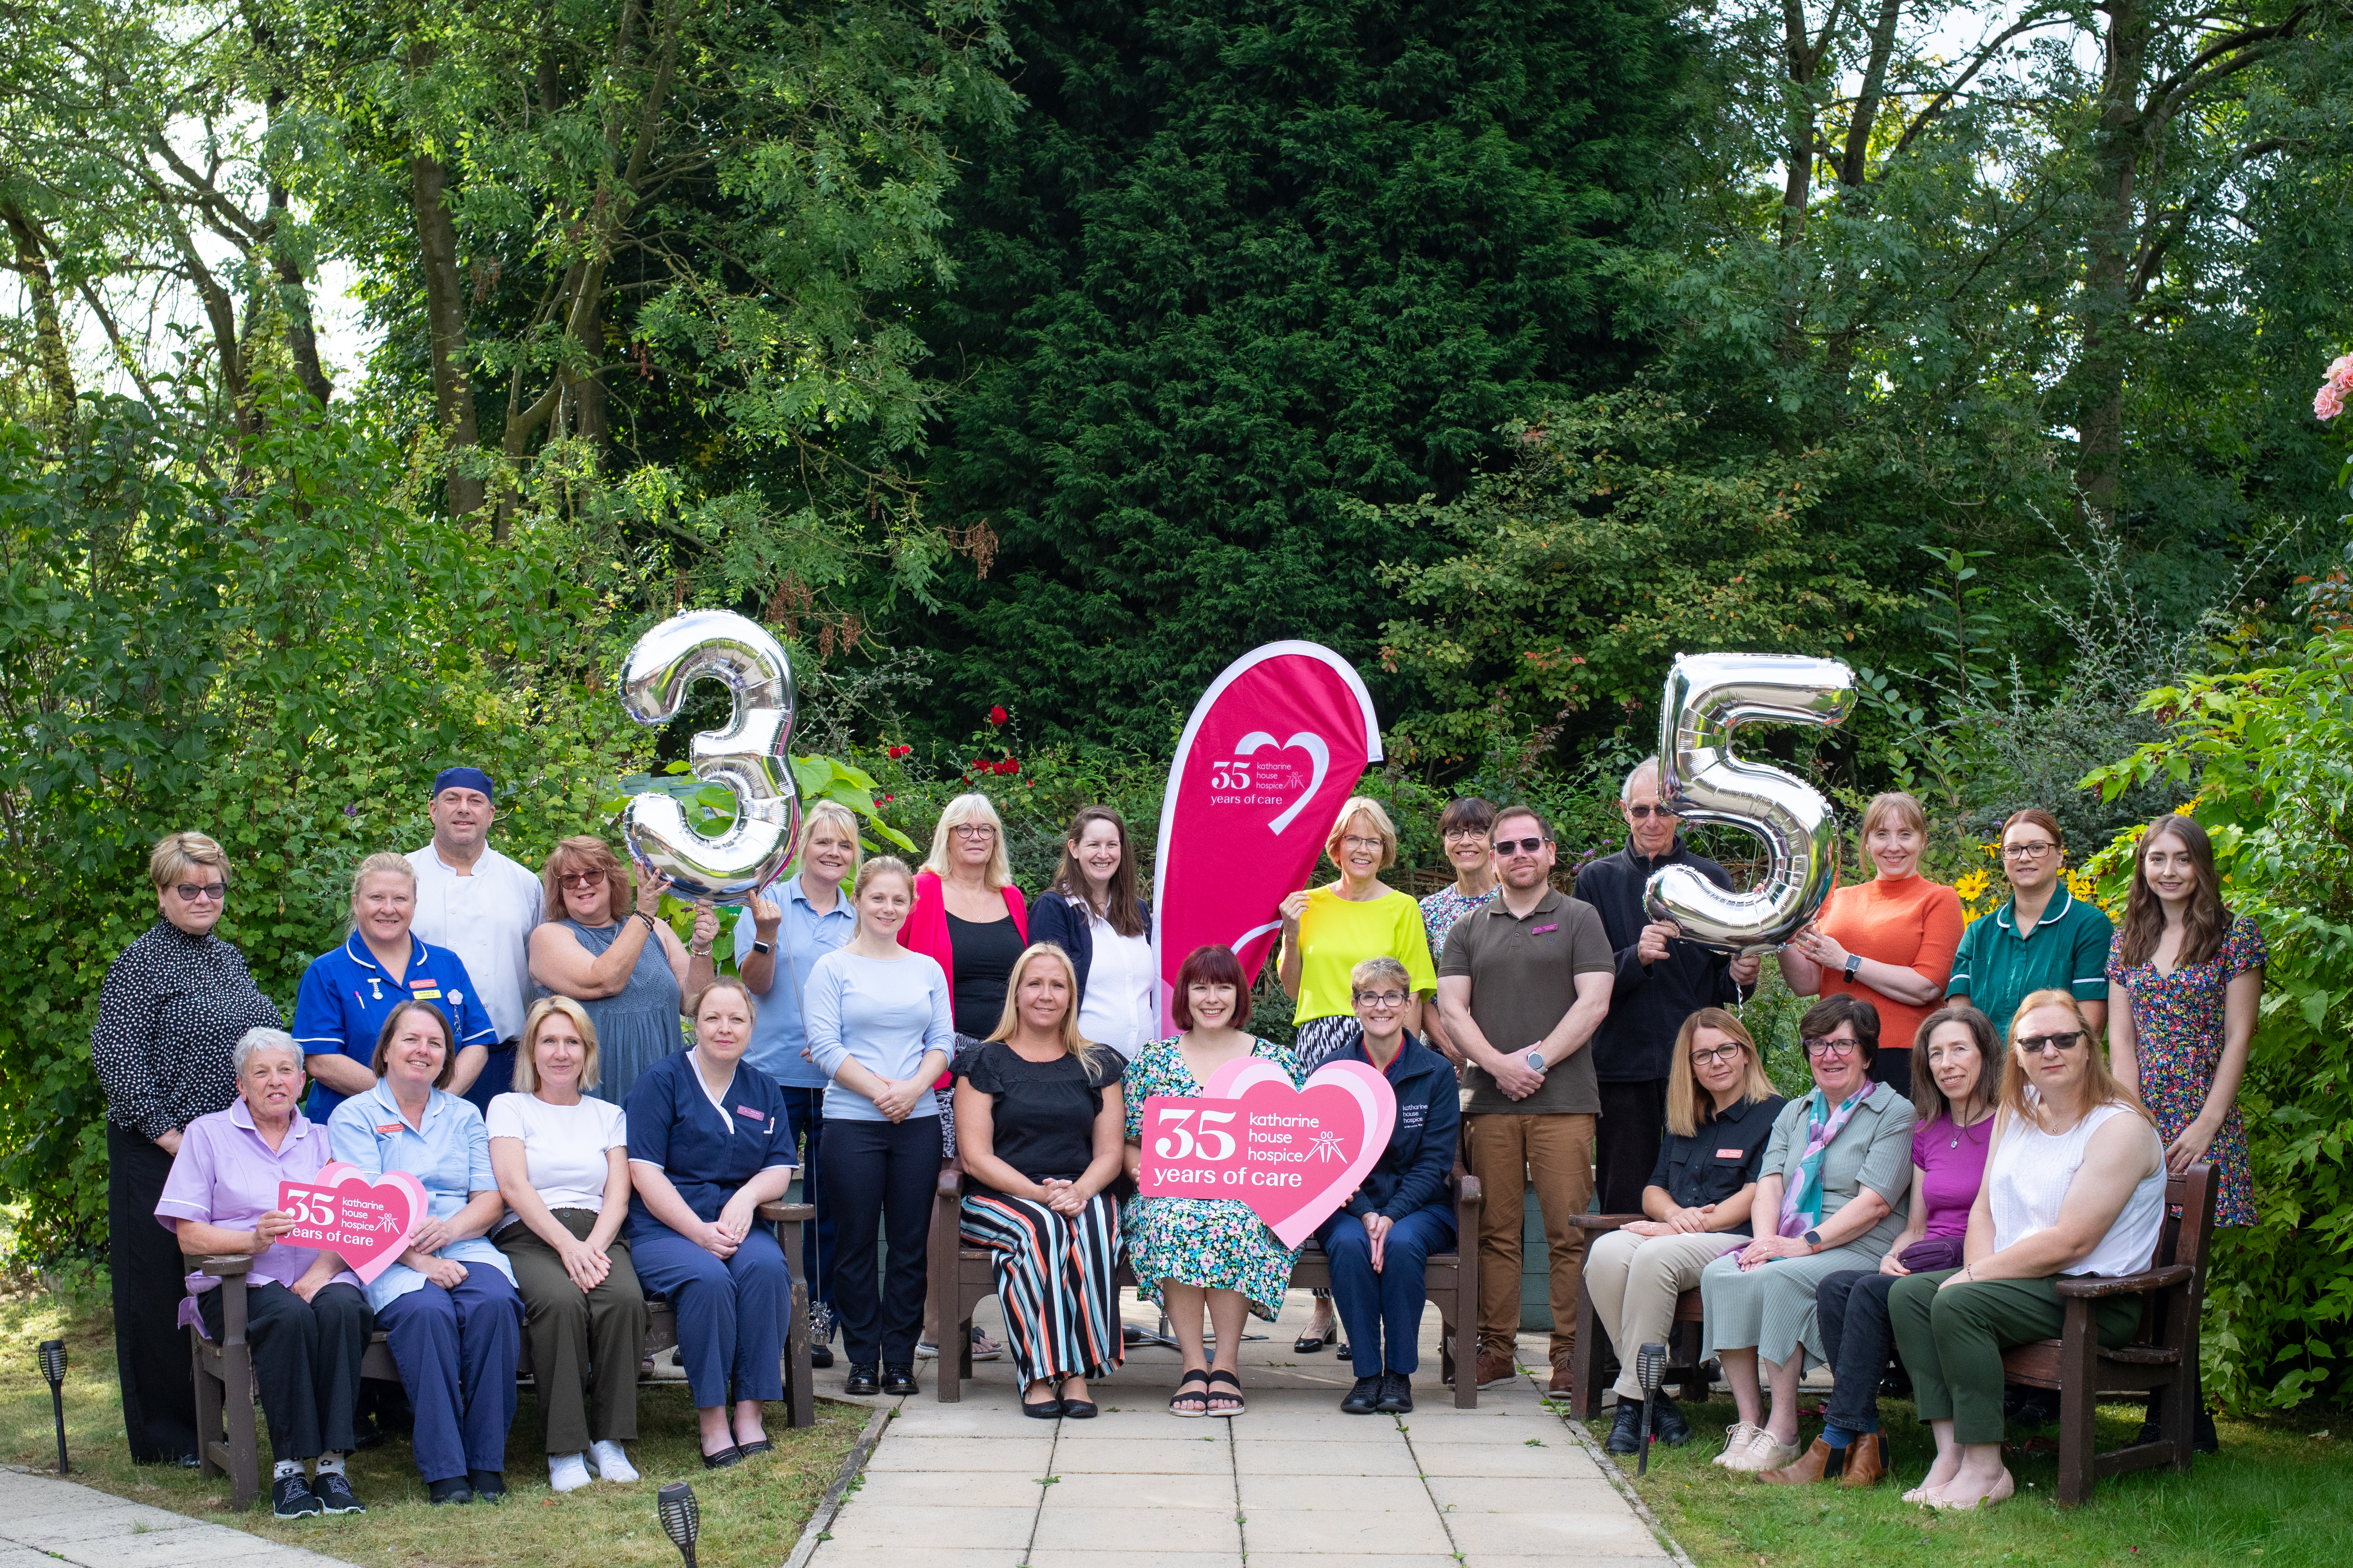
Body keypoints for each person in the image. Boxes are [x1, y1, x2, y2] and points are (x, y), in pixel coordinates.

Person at [1889, 990, 2168, 1510]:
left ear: (2089, 1045)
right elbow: (1984, 1211)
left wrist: (1973, 1280)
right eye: (2034, 1042)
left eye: (2065, 1039)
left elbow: (2073, 1240)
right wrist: (1976, 1270)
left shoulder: (2119, 1126)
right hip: (2027, 1282)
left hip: (2095, 1295)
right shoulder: (2017, 1114)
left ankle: (1985, 1468)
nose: (2050, 1052)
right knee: (1908, 1295)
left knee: (1956, 1301)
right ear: (2016, 1053)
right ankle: (1950, 1455)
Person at [91, 830, 283, 1465]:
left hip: (227, 1149)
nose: (203, 898)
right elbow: (117, 1060)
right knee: (155, 1289)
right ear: (162, 892)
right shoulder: (141, 962)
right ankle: (168, 1436)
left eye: (214, 887)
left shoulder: (229, 959)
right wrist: (175, 1138)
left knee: (220, 1280)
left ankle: (221, 1419)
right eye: (188, 888)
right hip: (157, 1147)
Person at [1761, 1003, 1999, 1487]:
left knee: (1867, 1294)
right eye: (1936, 1054)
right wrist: (1895, 1253)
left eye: (1959, 1050)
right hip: (1924, 1258)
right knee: (1837, 1287)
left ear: (1985, 1056)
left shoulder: (2009, 1125)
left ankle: (1832, 1443)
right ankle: (1866, 1439)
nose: (1947, 1063)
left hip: (1977, 1257)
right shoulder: (1928, 1129)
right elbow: (1916, 1224)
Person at [1434, 804, 1615, 1397]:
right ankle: (1495, 1350)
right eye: (1506, 847)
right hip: (1487, 1102)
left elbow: (1593, 1002)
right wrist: (1496, 1064)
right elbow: (1452, 1008)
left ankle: (1569, 1356)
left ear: (1551, 852)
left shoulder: (1580, 918)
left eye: (1529, 844)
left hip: (1563, 1100)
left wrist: (1533, 1062)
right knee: (1493, 1229)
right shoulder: (1467, 929)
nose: (1519, 855)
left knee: (1567, 1229)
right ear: (1493, 857)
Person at [157, 1028, 370, 1518]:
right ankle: (290, 1472)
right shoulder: (208, 1135)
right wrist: (252, 1240)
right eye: (261, 1073)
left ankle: (334, 1468)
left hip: (320, 1272)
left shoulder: (324, 1139)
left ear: (301, 1082)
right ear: (241, 1084)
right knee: (287, 1317)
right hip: (240, 1280)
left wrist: (320, 1273)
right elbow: (188, 1235)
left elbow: (351, 1224)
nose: (275, 1082)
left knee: (344, 1309)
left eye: (285, 1071)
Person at [1699, 994, 1914, 1473]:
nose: (1829, 1056)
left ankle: (1783, 1429)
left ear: (1866, 1053)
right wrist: (1762, 1242)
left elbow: (1875, 1202)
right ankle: (1748, 1422)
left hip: (1863, 1244)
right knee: (1722, 1274)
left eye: (1842, 1044)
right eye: (1817, 1045)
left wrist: (1802, 1246)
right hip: (1791, 1240)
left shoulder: (1894, 1113)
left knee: (1781, 1278)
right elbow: (1768, 1183)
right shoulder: (1796, 1112)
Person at [326, 1001, 522, 1505]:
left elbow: (491, 1198)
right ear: (386, 1050)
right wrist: (422, 1262)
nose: (423, 1050)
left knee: (494, 1305)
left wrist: (451, 1230)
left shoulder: (464, 1115)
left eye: (435, 1043)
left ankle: (486, 1462)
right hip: (390, 1258)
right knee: (427, 1313)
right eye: (411, 1040)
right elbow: (361, 1210)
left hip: (465, 1243)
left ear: (446, 1059)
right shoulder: (355, 1116)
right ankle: (445, 1470)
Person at [1276, 795, 1438, 1353]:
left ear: (1385, 848)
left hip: (1382, 1038)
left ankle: (1365, 1311)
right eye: (1353, 838)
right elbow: (1291, 987)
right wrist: (1292, 932)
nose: (1363, 848)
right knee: (1322, 1174)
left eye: (1372, 839)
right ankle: (1326, 1308)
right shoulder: (1308, 904)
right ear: (1336, 847)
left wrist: (1406, 1056)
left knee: (1378, 1165)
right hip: (1319, 1042)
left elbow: (1412, 992)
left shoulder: (1402, 909)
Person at [1582, 1008, 1783, 1455]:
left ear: (1746, 1053)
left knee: (1655, 1258)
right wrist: (1673, 1216)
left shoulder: (1775, 1114)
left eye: (1725, 1049)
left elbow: (1758, 1191)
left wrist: (1695, 1225)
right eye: (1702, 1055)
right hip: (1679, 1232)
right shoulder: (1686, 1115)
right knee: (1607, 1254)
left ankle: (1633, 1401)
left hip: (1737, 1238)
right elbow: (1652, 1189)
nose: (1716, 1062)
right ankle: (1652, 1401)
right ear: (1689, 1066)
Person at [1572, 758, 1762, 1214]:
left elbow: (1720, 979)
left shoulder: (1711, 878)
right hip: (1622, 1062)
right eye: (1640, 811)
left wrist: (1740, 978)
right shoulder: (1597, 879)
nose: (1652, 821)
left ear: (1682, 811)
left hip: (1697, 1062)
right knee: (1623, 1193)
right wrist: (1633, 959)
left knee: (1700, 1187)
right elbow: (1581, 980)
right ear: (1623, 812)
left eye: (1663, 808)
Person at [626, 978, 800, 1466]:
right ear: (695, 1023)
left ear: (751, 1028)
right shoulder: (661, 1082)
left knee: (766, 1271)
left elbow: (779, 1166)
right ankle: (712, 1421)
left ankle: (750, 1412)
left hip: (734, 1222)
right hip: (665, 1227)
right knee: (708, 1280)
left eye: (737, 1019)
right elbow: (643, 1172)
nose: (725, 1029)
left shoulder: (762, 1088)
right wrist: (696, 1231)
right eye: (713, 1018)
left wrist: (746, 1198)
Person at [1123, 944, 1302, 1417]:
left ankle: (1225, 1365)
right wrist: (1135, 1169)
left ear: (1238, 993)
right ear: (1184, 995)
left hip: (1250, 1198)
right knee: (1173, 1218)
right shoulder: (1153, 1061)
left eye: (1222, 986)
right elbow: (1129, 1139)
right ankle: (1192, 1366)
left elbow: (1296, 1143)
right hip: (1170, 1193)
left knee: (1233, 1219)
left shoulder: (1274, 1063)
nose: (1211, 998)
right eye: (1199, 986)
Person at [952, 943, 1127, 1418]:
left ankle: (1074, 1373)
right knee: (1042, 1228)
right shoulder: (983, 1062)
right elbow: (975, 1156)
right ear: (1016, 993)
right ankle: (1041, 1372)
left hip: (1082, 1189)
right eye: (1035, 984)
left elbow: (1110, 1152)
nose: (1045, 995)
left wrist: (1081, 1191)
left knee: (1089, 1228)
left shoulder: (1098, 1063)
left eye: (1057, 985)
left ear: (1071, 997)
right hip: (1000, 1196)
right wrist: (1037, 1194)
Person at [805, 856, 955, 1397]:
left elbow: (942, 1043)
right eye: (878, 898)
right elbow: (825, 1046)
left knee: (911, 1246)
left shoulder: (926, 970)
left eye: (898, 900)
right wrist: (879, 1092)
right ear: (859, 901)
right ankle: (863, 1361)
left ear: (910, 906)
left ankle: (900, 1360)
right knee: (856, 1245)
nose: (888, 908)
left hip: (916, 1121)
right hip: (852, 1122)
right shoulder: (832, 968)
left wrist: (911, 1092)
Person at [488, 996, 647, 1491]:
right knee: (558, 1303)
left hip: (598, 1232)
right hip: (531, 1233)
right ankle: (565, 1448)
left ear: (587, 1052)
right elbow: (513, 1187)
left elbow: (618, 1195)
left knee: (623, 1300)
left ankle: (609, 1441)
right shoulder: (509, 1107)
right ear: (531, 1052)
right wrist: (566, 1247)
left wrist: (593, 1248)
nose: (561, 1053)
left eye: (572, 1042)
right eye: (549, 1041)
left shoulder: (606, 1114)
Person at [736, 799, 862, 1368]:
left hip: (836, 1081)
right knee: (754, 1193)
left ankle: (816, 1320)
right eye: (823, 842)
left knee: (828, 1203)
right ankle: (744, 1312)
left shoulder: (860, 916)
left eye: (844, 845)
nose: (833, 853)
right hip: (771, 1076)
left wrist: (840, 1039)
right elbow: (753, 985)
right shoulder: (768, 903)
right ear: (802, 846)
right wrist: (766, 935)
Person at [903, 793, 1024, 1361]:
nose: (975, 837)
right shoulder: (923, 890)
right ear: (945, 836)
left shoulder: (1013, 899)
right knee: (947, 1185)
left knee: (994, 1182)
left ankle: (971, 1318)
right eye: (963, 828)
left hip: (1007, 1062)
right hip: (944, 1060)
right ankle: (935, 1321)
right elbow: (895, 966)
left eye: (986, 829)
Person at [2106, 812, 2266, 1231]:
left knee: (2184, 1256)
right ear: (2143, 866)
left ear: (2202, 865)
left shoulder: (2235, 937)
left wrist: (2207, 1126)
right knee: (2129, 1243)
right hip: (2141, 1112)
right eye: (2157, 859)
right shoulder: (2125, 940)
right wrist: (2133, 1116)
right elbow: (2122, 1037)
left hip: (2204, 1113)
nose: (2169, 872)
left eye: (2183, 859)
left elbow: (2239, 1037)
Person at [1321, 958, 1461, 1416]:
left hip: (1419, 1207)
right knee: (1347, 1245)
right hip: (1346, 1206)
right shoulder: (1332, 1070)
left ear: (1408, 1005)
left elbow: (1435, 1162)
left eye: (1391, 996)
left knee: (1400, 1244)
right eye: (1369, 996)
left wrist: (1390, 1214)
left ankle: (1399, 1376)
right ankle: (1366, 1375)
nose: (1380, 1006)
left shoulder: (1435, 1072)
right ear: (1354, 1005)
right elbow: (1329, 1157)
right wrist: (1365, 1212)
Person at [295, 852, 501, 1127]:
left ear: (415, 904)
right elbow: (321, 1061)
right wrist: (402, 1099)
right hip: (353, 1129)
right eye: (377, 897)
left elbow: (477, 1043)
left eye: (400, 899)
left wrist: (437, 1102)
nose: (389, 908)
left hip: (438, 1125)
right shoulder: (327, 972)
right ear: (356, 903)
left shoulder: (446, 965)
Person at [1779, 791, 1963, 1098]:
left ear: (1922, 841)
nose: (1893, 847)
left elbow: (1928, 986)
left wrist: (1848, 961)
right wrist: (1778, 929)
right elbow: (1806, 982)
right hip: (1835, 1054)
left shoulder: (1939, 899)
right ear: (1867, 842)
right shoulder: (1837, 899)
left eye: (1905, 834)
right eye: (1882, 835)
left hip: (1904, 1057)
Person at [528, 835, 718, 1105]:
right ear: (559, 890)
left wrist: (701, 947)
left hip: (663, 1089)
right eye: (570, 879)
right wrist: (645, 913)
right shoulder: (549, 937)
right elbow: (604, 981)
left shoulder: (658, 931)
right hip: (593, 1093)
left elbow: (696, 1005)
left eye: (593, 874)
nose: (582, 884)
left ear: (613, 879)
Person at [407, 766, 544, 1114]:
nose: (464, 809)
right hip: (415, 1059)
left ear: (491, 814)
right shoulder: (401, 878)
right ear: (433, 810)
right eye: (451, 799)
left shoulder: (524, 883)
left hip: (505, 1060)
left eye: (475, 801)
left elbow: (542, 972)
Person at [1946, 807, 2111, 1041]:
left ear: (2060, 855)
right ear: (2004, 859)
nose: (2024, 857)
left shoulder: (2090, 927)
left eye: (2037, 848)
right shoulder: (1978, 933)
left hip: (2056, 1072)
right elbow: (1958, 1027)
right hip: (1986, 1076)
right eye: (2013, 850)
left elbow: (2089, 1028)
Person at [1027, 805, 1158, 1061]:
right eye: (1094, 845)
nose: (1104, 854)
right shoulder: (1055, 909)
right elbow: (1044, 994)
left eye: (1112, 845)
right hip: (1082, 1067)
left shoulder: (1138, 910)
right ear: (1074, 849)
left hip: (1142, 1070)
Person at [1417, 796, 1499, 1064]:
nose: (1466, 841)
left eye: (1478, 831)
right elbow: (1420, 989)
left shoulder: (1516, 901)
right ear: (1445, 842)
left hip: (1508, 1049)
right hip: (1445, 1057)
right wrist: (1451, 1047)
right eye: (1455, 832)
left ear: (1494, 841)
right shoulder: (1429, 910)